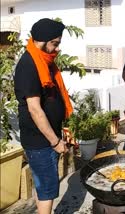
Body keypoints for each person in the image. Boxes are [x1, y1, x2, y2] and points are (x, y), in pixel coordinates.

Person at [14, 18, 71, 214]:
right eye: (54, 43)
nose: (56, 48)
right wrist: (55, 142)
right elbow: (35, 110)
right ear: (43, 40)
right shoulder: (29, 65)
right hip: (40, 142)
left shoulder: (43, 61)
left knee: (44, 188)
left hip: (46, 139)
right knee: (47, 191)